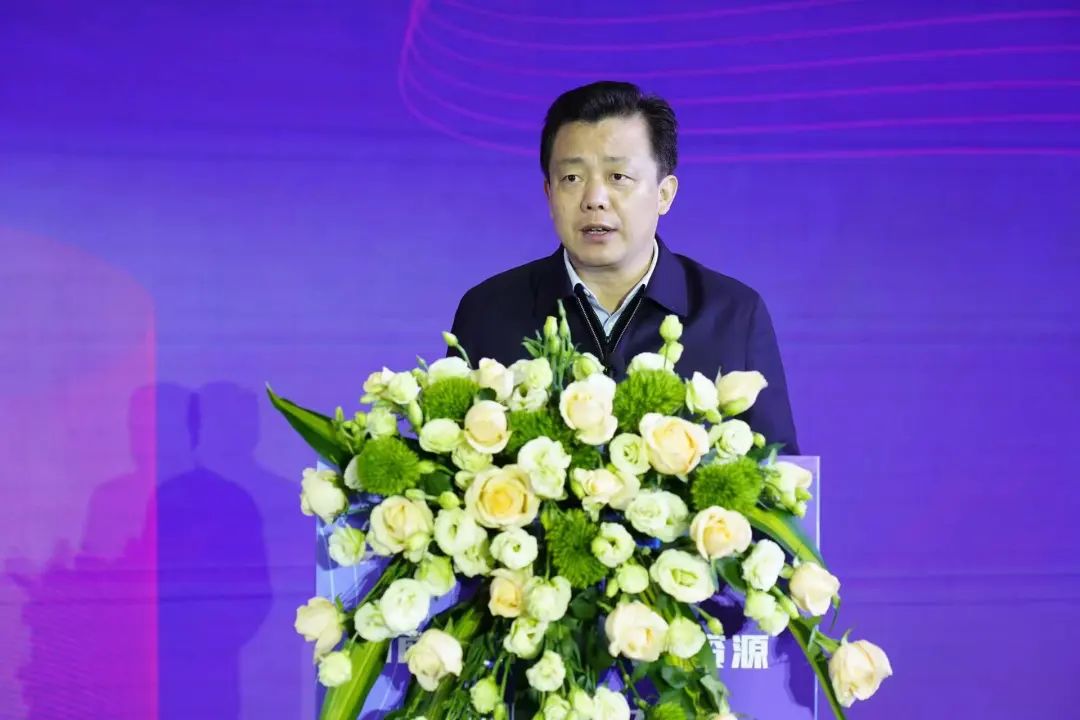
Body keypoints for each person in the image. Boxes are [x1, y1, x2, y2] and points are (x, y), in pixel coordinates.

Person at [448, 81, 799, 452]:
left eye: (618, 177)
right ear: (549, 194)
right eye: (572, 178)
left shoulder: (733, 314)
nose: (594, 199)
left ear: (664, 194)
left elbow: (780, 474)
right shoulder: (487, 310)